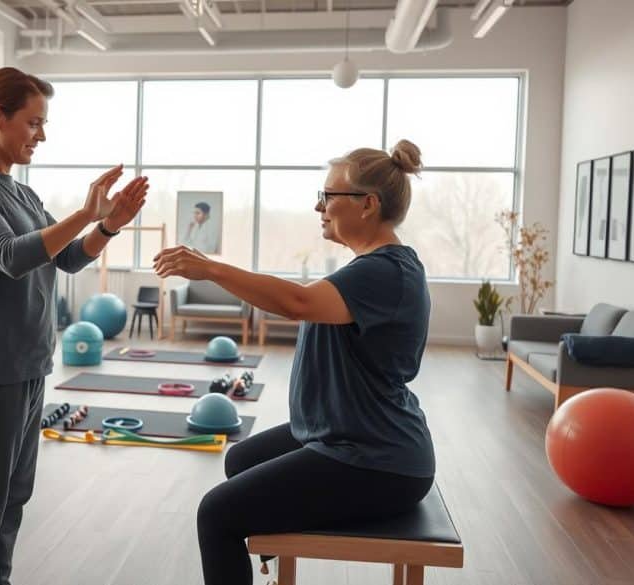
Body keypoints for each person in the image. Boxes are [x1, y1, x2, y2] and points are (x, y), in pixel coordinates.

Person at [153, 140, 434, 585]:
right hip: (347, 431)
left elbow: (296, 301)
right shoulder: (371, 268)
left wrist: (211, 269)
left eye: (328, 196)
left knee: (216, 512)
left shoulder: (385, 271)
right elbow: (300, 300)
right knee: (240, 461)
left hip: (378, 458)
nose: (318, 206)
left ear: (367, 204)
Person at [0, 67, 148, 585]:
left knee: (12, 501)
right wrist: (82, 211)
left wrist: (108, 224)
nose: (42, 136)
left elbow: (68, 258)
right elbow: (11, 256)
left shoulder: (22, 195)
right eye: (34, 123)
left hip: (29, 363)